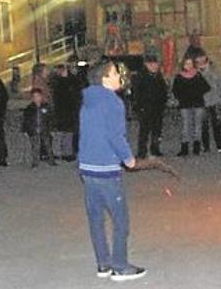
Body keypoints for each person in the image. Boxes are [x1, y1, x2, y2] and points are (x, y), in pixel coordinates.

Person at [78, 61, 145, 281]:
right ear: (104, 79)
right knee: (120, 220)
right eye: (115, 73)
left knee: (96, 218)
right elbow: (115, 135)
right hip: (106, 168)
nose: (119, 76)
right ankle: (120, 266)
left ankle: (103, 264)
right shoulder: (112, 102)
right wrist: (128, 158)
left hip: (87, 168)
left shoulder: (88, 100)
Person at [131, 54, 169, 158]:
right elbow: (136, 93)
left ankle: (155, 148)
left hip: (158, 107)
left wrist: (163, 101)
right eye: (152, 64)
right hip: (145, 107)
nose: (155, 66)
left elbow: (163, 90)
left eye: (156, 64)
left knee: (157, 130)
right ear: (147, 65)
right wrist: (138, 106)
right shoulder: (141, 76)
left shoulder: (158, 76)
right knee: (144, 130)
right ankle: (142, 151)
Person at [172, 56, 210, 157]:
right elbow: (175, 90)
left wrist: (196, 93)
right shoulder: (179, 77)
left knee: (197, 126)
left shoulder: (197, 75)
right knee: (186, 125)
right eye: (186, 64)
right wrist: (181, 97)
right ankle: (184, 147)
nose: (188, 66)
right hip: (184, 104)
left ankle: (196, 147)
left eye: (190, 63)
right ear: (183, 65)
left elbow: (206, 87)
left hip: (197, 104)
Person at [50, 64, 82, 161]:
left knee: (68, 132)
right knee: (61, 133)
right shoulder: (57, 82)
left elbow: (76, 90)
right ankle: (60, 152)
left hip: (69, 109)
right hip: (62, 109)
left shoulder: (72, 81)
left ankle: (67, 152)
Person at [196, 52, 221, 153]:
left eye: (202, 58)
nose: (200, 61)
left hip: (214, 100)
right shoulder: (195, 72)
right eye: (198, 59)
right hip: (201, 102)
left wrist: (220, 95)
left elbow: (220, 83)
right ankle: (206, 146)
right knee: (204, 125)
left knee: (217, 123)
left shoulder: (214, 70)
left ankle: (219, 144)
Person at [22, 88, 56, 167]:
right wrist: (25, 130)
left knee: (48, 145)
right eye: (34, 97)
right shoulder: (29, 108)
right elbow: (26, 120)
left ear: (41, 97)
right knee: (35, 146)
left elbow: (51, 118)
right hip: (33, 130)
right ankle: (35, 161)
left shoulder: (46, 107)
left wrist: (52, 128)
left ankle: (51, 160)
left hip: (44, 129)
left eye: (38, 96)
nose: (36, 98)